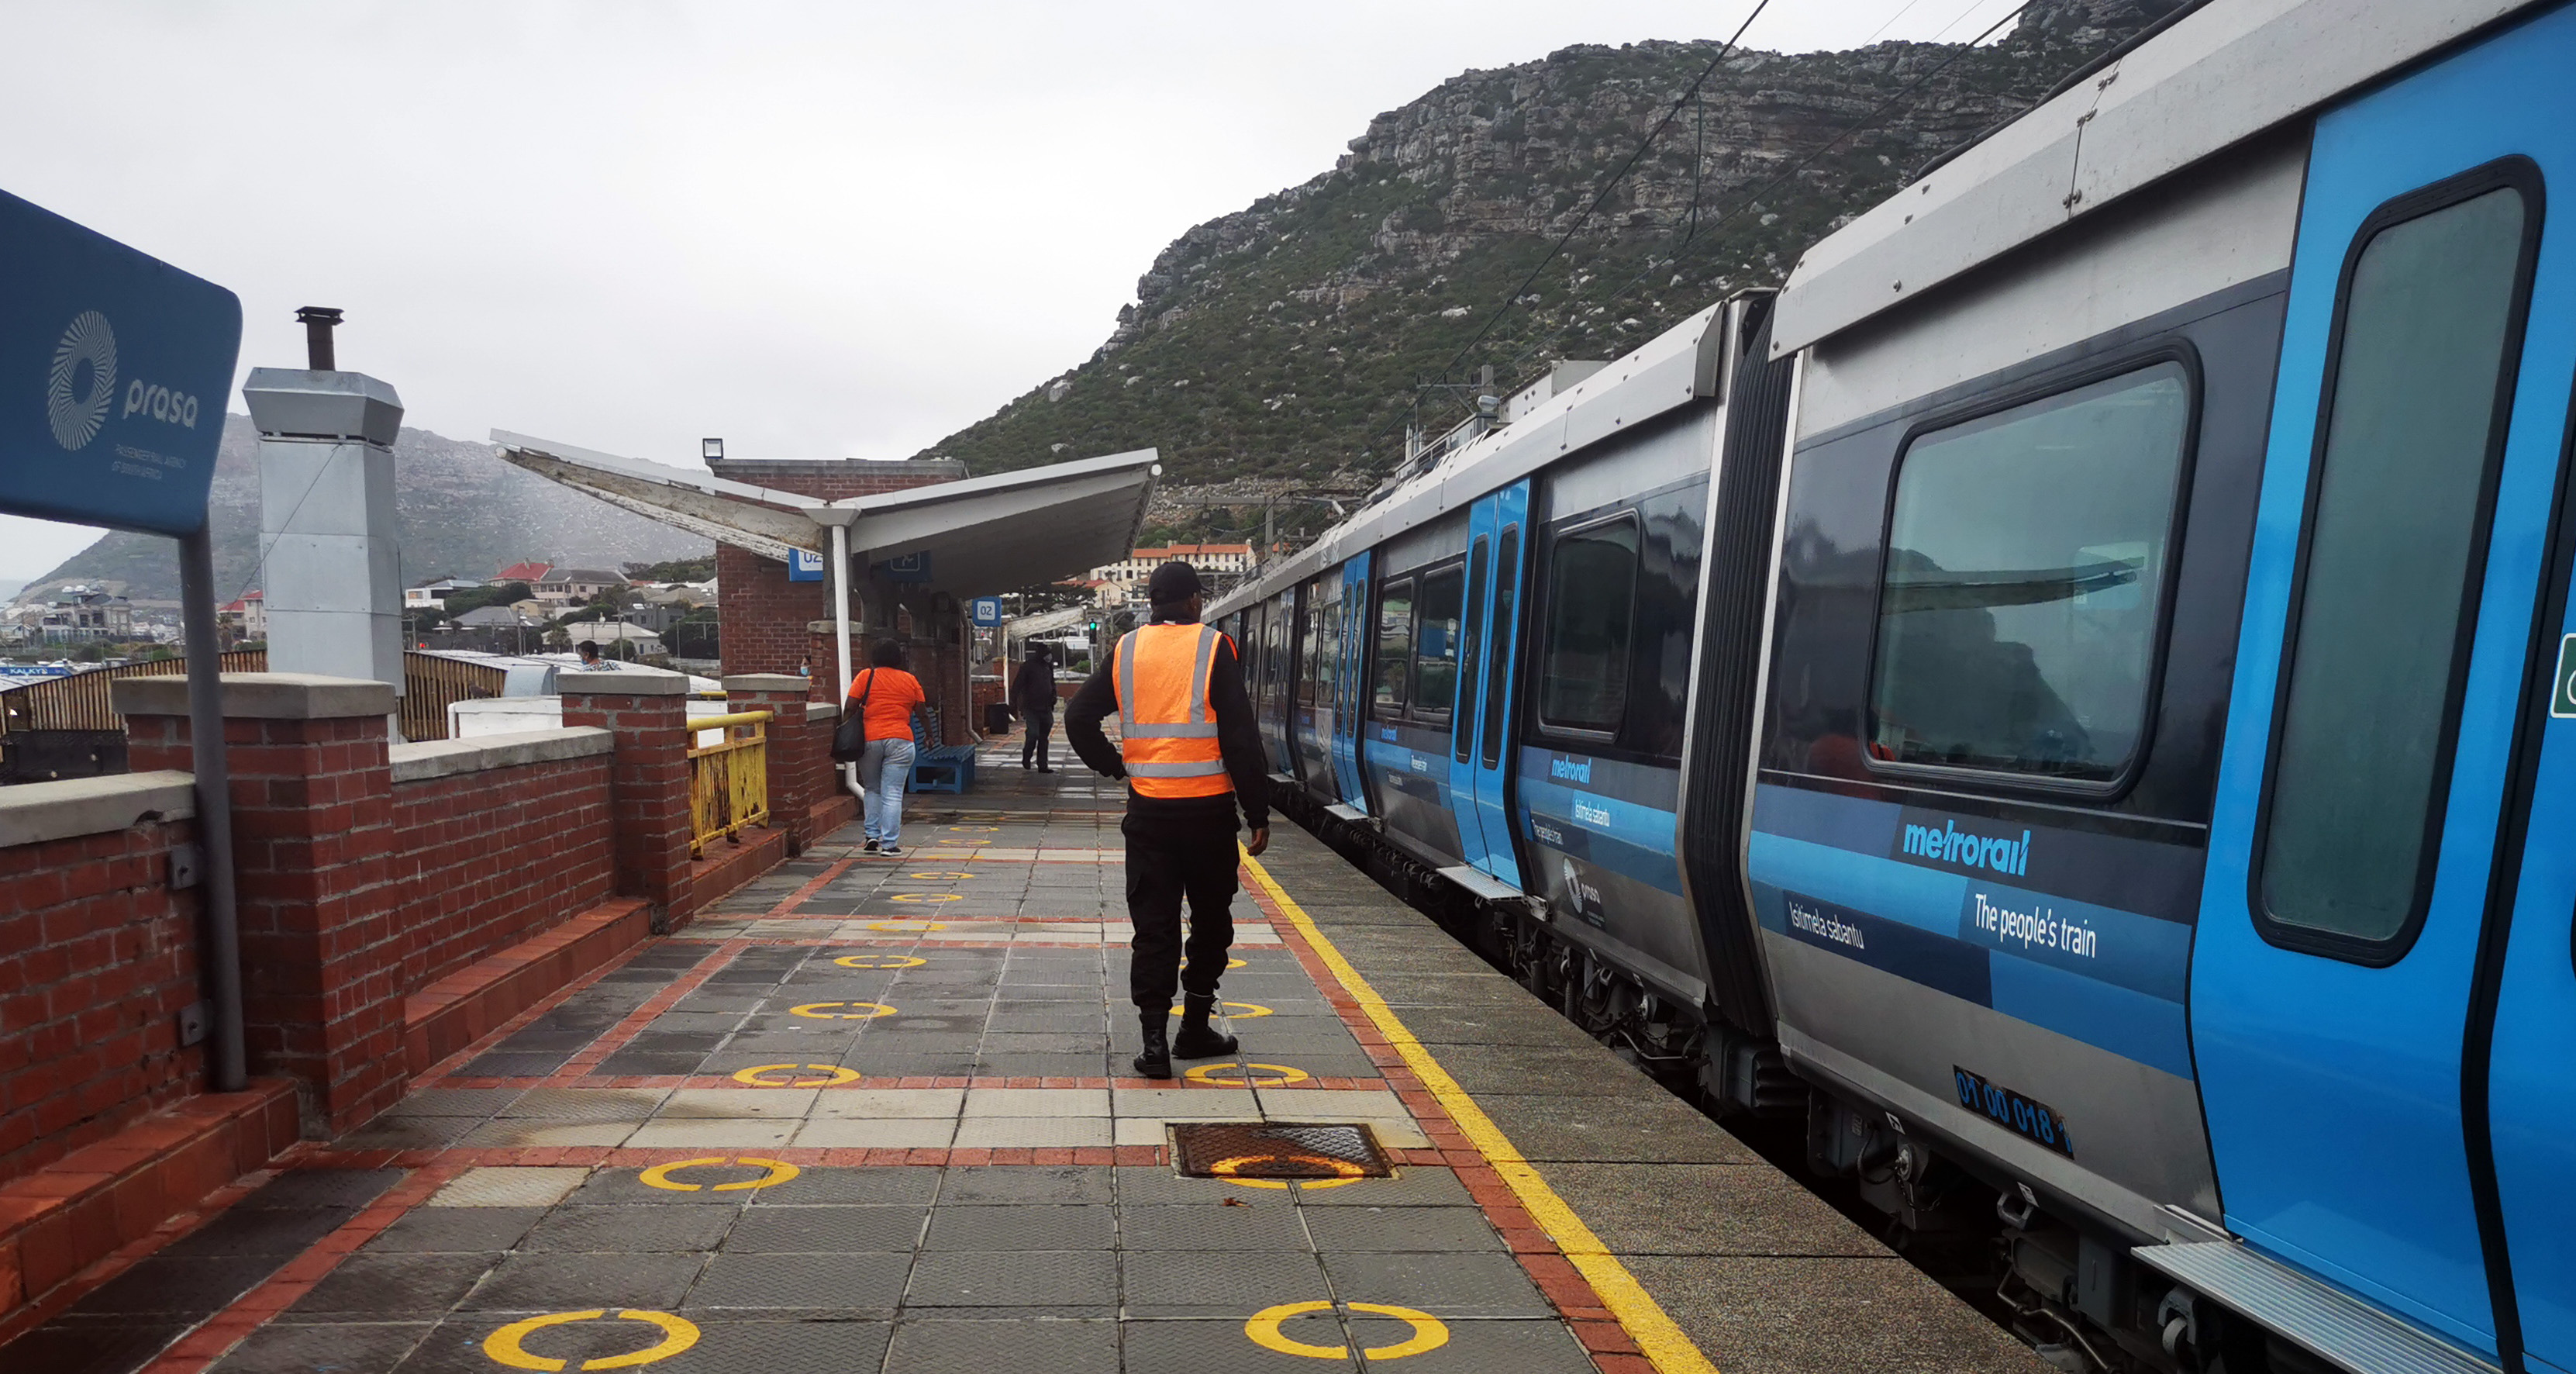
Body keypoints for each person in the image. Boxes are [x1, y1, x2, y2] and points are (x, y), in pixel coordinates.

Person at [1064, 561, 1271, 1079]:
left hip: (1149, 812)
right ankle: (1194, 1029)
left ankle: (1153, 1044)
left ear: (1152, 602)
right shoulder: (1213, 646)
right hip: (1208, 815)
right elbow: (1240, 737)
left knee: (1153, 928)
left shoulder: (1126, 649)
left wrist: (1116, 767)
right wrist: (1257, 810)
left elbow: (1077, 718)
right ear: (1195, 601)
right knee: (1210, 922)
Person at [847, 638, 929, 856]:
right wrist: (928, 735)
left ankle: (871, 836)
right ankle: (890, 844)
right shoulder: (909, 680)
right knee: (893, 793)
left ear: (874, 657)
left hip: (870, 739)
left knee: (872, 788)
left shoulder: (866, 676)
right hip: (901, 740)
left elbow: (850, 706)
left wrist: (845, 729)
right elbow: (921, 710)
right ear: (898, 658)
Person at [1015, 643, 1057, 772]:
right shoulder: (1028, 666)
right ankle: (1027, 756)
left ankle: (1043, 765)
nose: (1049, 656)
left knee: (1044, 738)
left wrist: (1054, 696)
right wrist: (1015, 704)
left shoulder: (1048, 666)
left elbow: (1052, 683)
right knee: (1033, 734)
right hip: (1031, 707)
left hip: (1046, 707)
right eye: (1047, 653)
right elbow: (1018, 685)